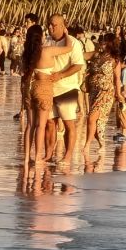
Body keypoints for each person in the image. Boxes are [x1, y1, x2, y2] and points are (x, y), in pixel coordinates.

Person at [43, 14, 86, 168]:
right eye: (49, 24)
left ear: (62, 26)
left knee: (69, 124)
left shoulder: (73, 43)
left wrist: (60, 75)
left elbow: (78, 65)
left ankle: (67, 156)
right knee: (49, 123)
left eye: (53, 25)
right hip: (49, 88)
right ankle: (48, 154)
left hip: (67, 88)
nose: (50, 27)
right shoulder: (46, 41)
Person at [83, 32, 122, 153]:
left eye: (105, 41)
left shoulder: (115, 60)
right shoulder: (96, 55)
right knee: (97, 122)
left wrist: (119, 94)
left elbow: (117, 78)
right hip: (93, 92)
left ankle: (87, 146)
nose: (102, 43)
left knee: (91, 118)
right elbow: (80, 56)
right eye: (102, 41)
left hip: (106, 93)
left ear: (110, 43)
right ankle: (101, 144)